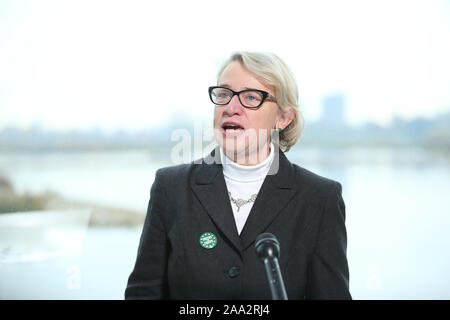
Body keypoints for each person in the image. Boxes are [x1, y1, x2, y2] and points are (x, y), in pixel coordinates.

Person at [125, 51, 351, 300]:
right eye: (223, 94)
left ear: (283, 118)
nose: (231, 107)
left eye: (251, 97)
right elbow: (143, 294)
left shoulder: (320, 199)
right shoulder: (170, 188)